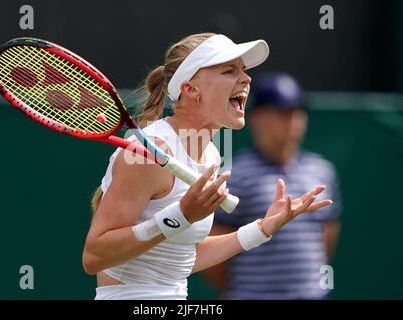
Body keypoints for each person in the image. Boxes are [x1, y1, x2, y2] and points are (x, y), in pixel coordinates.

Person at [81, 33, 333, 300]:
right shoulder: (149, 152)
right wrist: (181, 215)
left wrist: (261, 228)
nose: (246, 79)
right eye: (229, 70)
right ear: (191, 88)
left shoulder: (211, 155)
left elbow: (183, 259)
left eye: (244, 71)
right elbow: (94, 257)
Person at [203, 72, 342, 300]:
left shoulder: (323, 170)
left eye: (298, 112)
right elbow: (213, 251)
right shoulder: (235, 175)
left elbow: (327, 235)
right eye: (282, 113)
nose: (293, 122)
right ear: (257, 118)